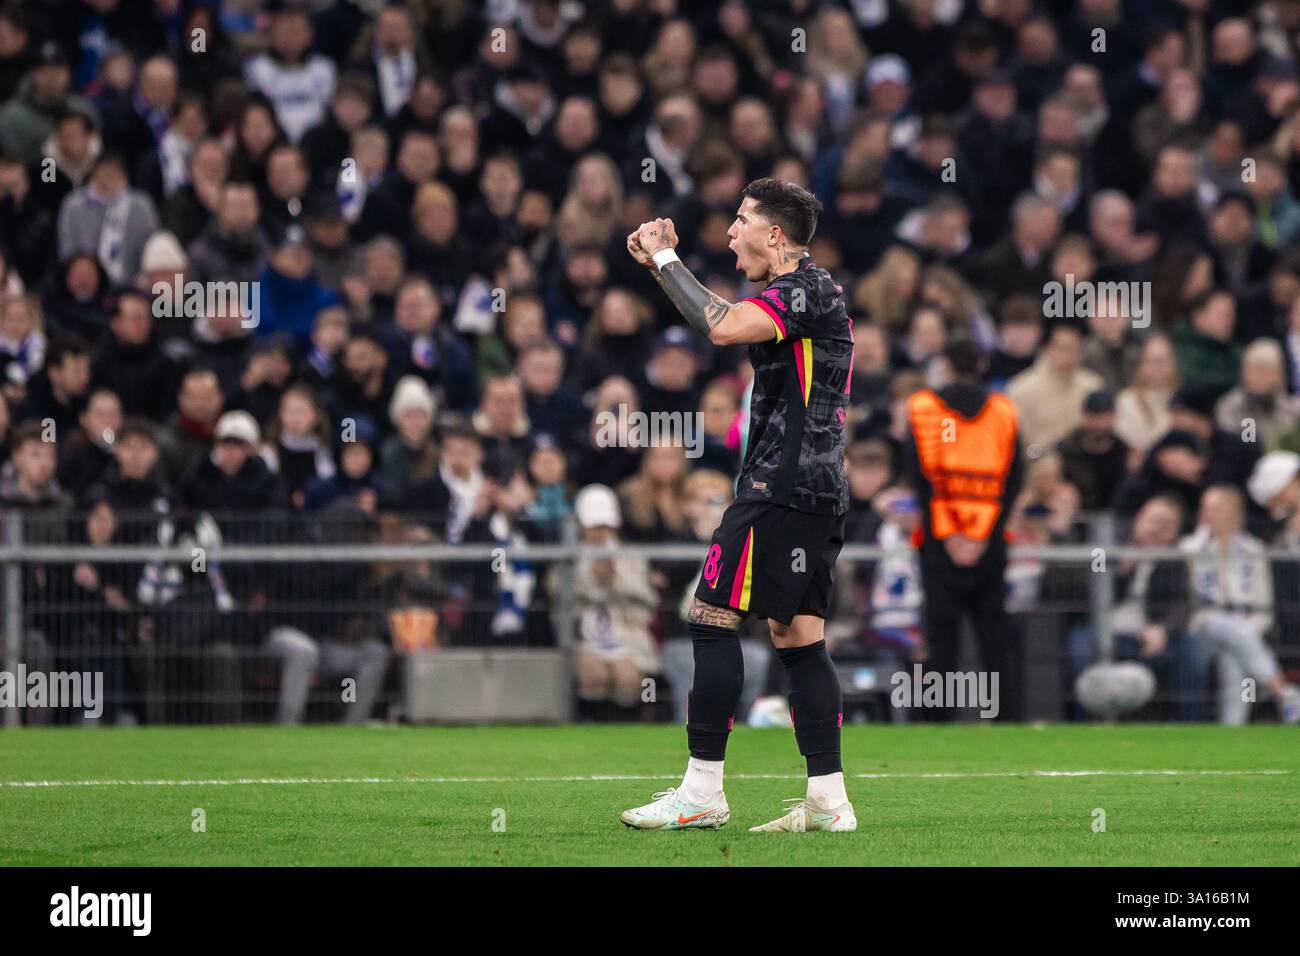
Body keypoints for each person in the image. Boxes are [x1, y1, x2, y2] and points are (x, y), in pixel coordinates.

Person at [619, 178, 856, 833]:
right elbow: (720, 316)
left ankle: (701, 793)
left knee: (710, 615)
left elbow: (721, 326)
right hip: (816, 491)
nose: (729, 232)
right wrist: (663, 273)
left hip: (779, 488)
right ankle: (829, 802)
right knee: (798, 637)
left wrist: (668, 260)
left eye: (741, 220)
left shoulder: (803, 288)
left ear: (774, 235)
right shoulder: (806, 292)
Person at [904, 338, 1023, 720]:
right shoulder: (1004, 411)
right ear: (982, 364)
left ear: (946, 365)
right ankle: (1006, 722)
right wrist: (984, 533)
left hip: (939, 543)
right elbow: (1014, 478)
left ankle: (937, 721)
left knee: (941, 637)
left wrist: (951, 535)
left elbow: (920, 478)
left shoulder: (923, 408)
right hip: (989, 542)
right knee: (995, 638)